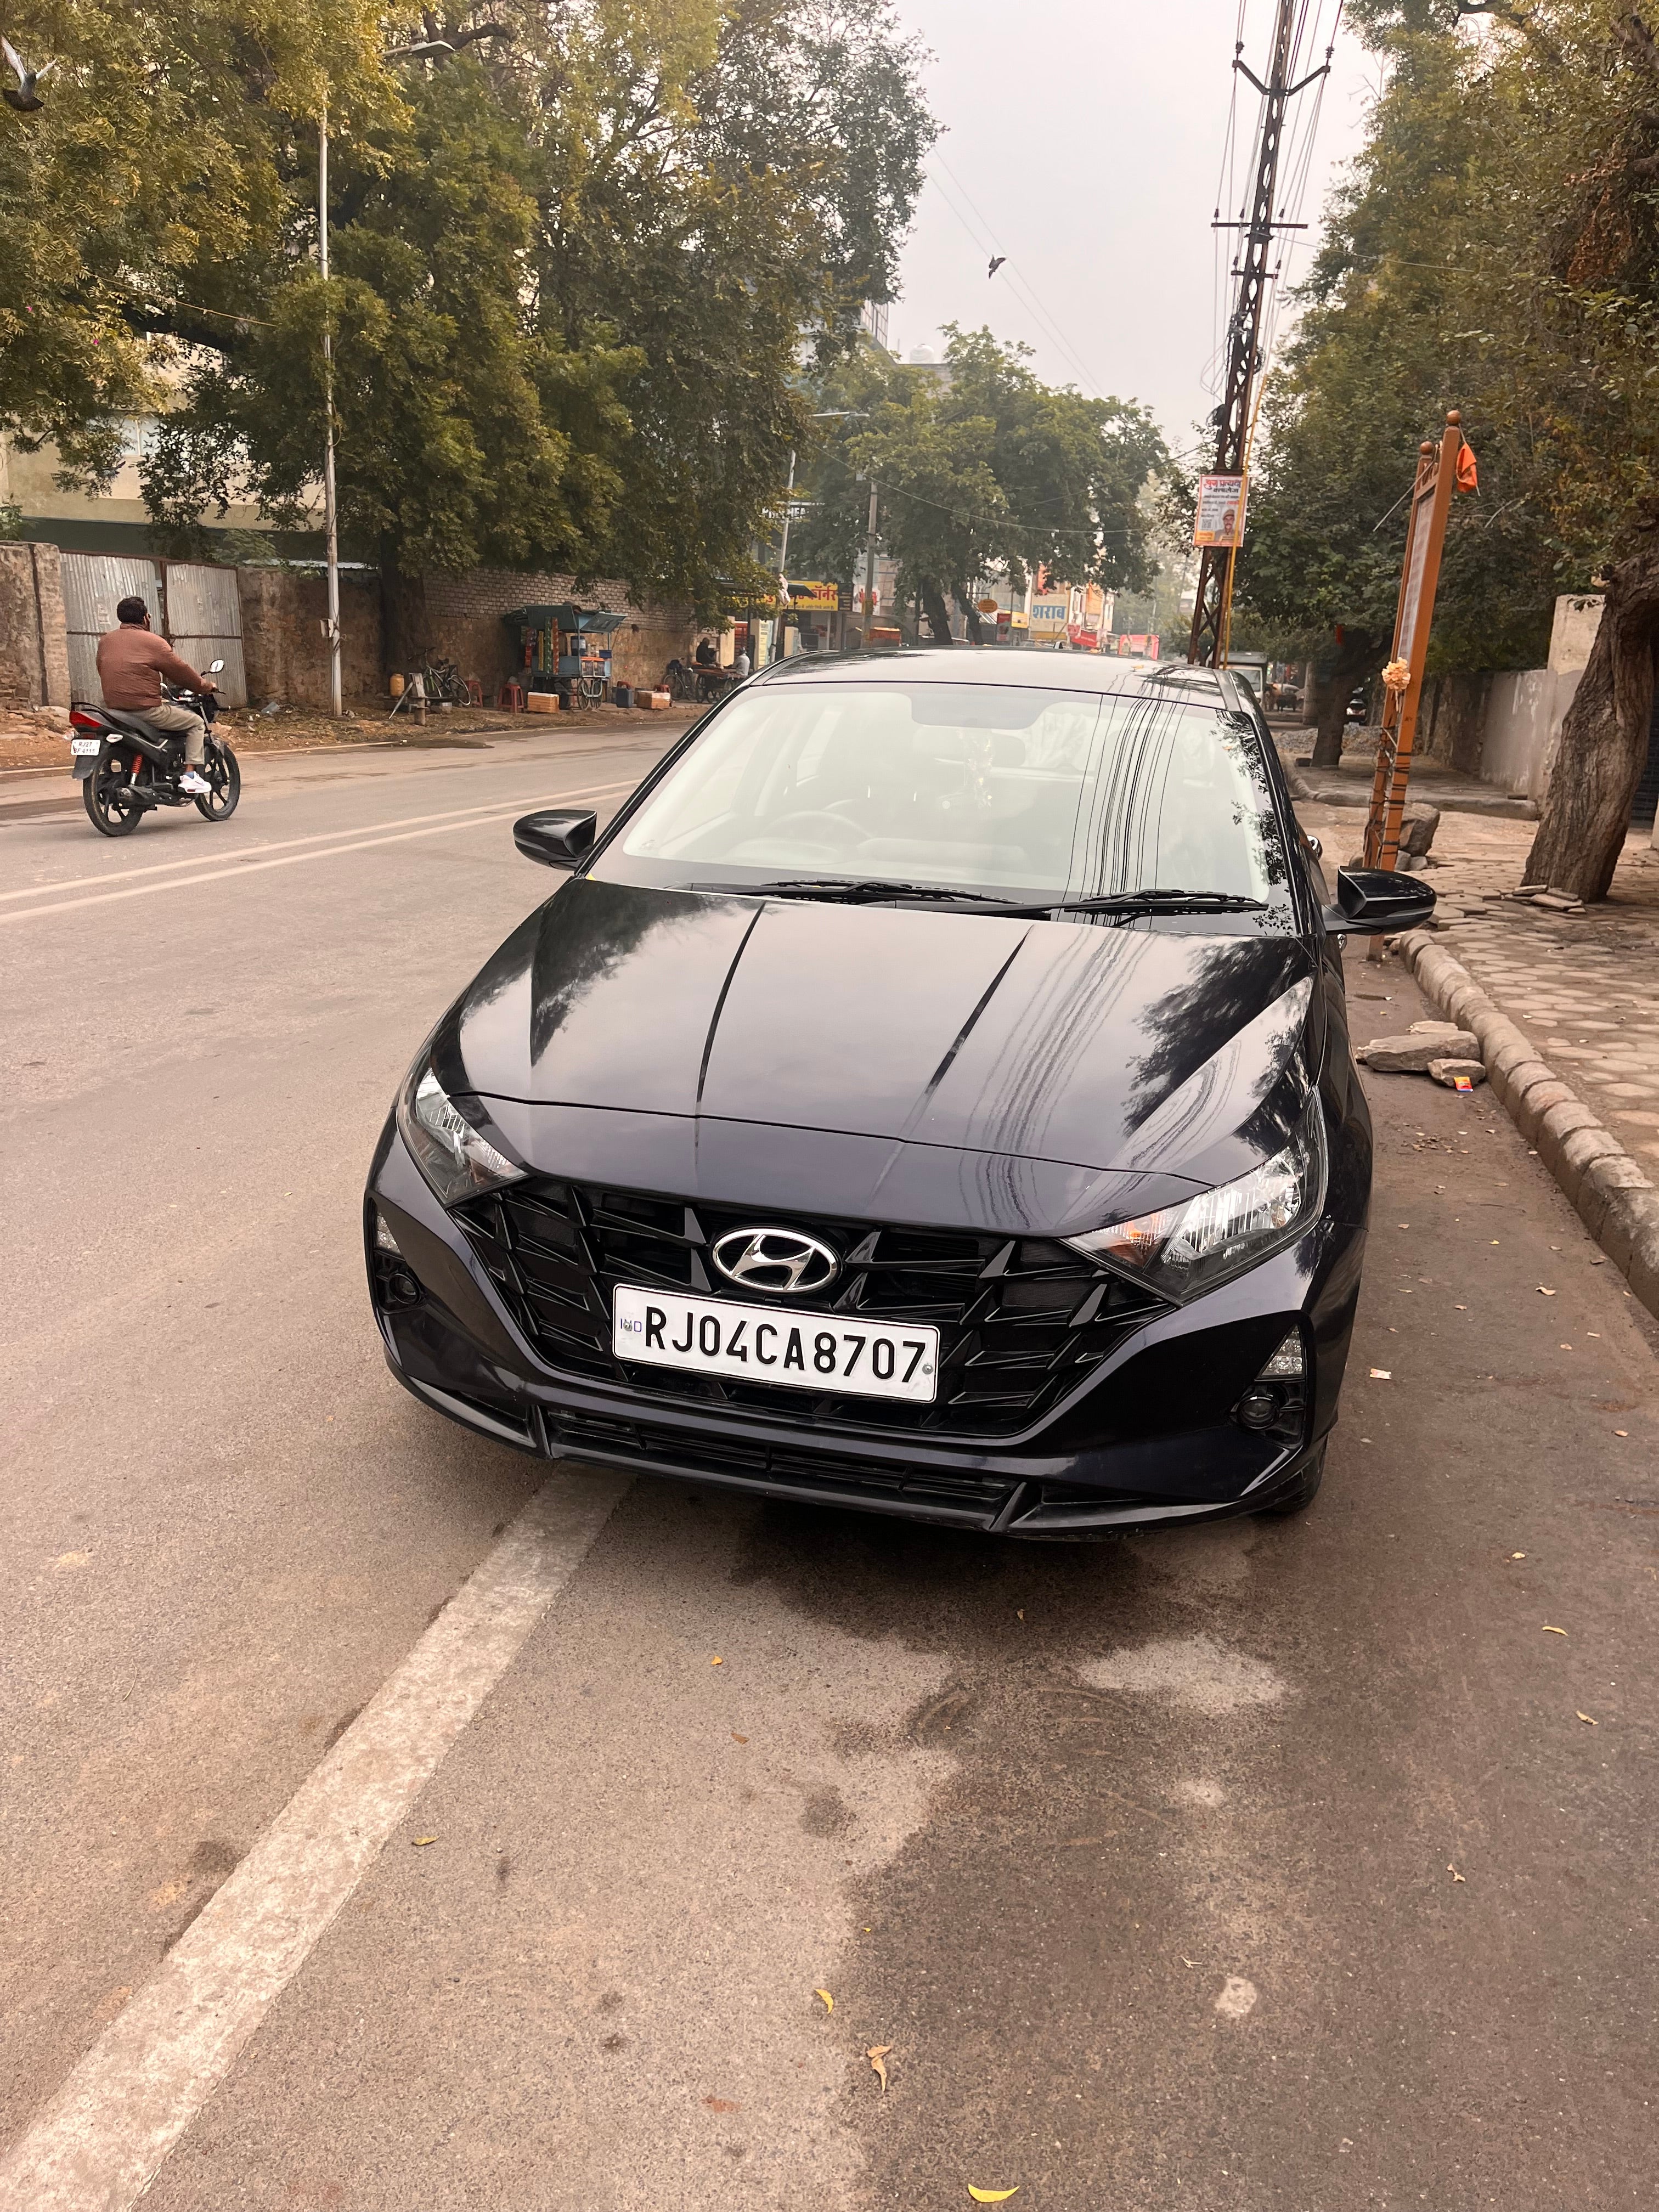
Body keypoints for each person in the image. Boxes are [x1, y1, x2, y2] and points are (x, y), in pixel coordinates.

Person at [95, 597, 216, 795]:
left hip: (114, 710)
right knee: (196, 723)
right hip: (145, 710)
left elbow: (102, 668)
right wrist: (205, 686)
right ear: (145, 618)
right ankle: (190, 776)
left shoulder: (106, 640)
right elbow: (180, 671)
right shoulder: (154, 642)